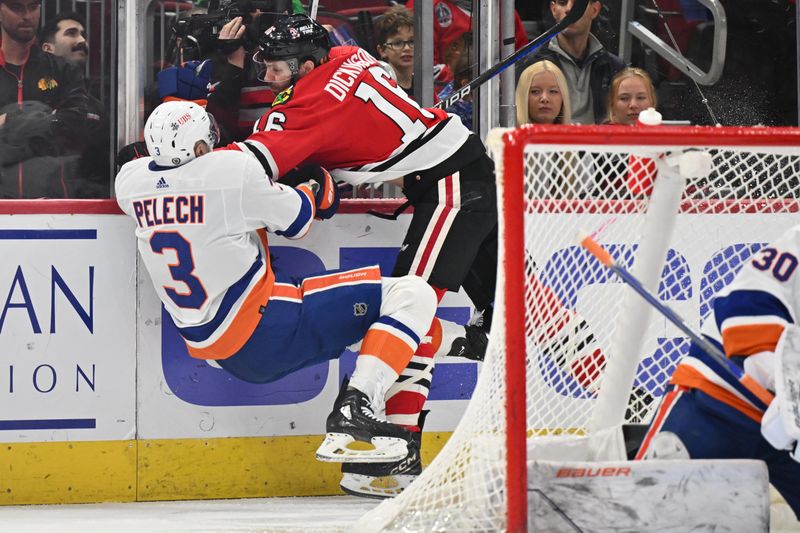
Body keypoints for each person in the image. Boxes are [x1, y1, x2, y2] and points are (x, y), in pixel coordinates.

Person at [225, 14, 497, 497]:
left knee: (411, 309)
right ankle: (626, 404)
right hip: (465, 170)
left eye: (277, 69)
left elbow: (241, 171)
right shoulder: (350, 56)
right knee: (513, 312)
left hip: (450, 188)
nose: (267, 78)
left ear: (307, 64)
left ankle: (385, 459)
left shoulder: (306, 107)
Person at [115, 100, 438, 467]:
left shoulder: (130, 183)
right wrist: (312, 184)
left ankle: (376, 469)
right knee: (413, 295)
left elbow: (181, 188)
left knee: (415, 332)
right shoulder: (229, 172)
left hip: (226, 353)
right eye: (209, 140)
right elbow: (301, 218)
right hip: (266, 326)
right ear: (202, 149)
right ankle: (354, 409)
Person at [636, 224, 800, 519]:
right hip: (714, 403)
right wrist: (784, 390)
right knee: (646, 512)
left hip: (790, 434)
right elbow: (745, 303)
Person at [0, 0, 88, 198]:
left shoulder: (64, 70)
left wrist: (8, 122)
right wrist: (46, 120)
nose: (26, 15)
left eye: (33, 6)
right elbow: (60, 125)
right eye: (16, 7)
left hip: (55, 205)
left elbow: (75, 123)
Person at [516, 0, 624, 125]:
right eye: (562, 3)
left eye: (578, 4)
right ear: (553, 9)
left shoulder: (614, 68)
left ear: (595, 10)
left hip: (600, 143)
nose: (568, 9)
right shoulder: (528, 64)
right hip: (547, 142)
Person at [39, 11, 110, 197]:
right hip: (30, 199)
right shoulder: (33, 97)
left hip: (85, 205)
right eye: (71, 33)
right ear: (48, 48)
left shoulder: (96, 107)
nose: (81, 41)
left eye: (82, 34)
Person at [406, 0, 527, 84]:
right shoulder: (423, 6)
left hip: (494, 96)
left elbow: (520, 59)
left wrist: (497, 81)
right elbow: (422, 69)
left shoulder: (502, 8)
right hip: (445, 98)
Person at [515, 59, 572, 125]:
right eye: (535, 91)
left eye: (553, 91)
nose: (544, 99)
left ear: (563, 98)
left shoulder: (576, 134)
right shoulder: (505, 134)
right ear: (522, 97)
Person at [375, 6, 415, 99]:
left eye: (412, 42)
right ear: (382, 51)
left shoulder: (425, 86)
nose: (407, 48)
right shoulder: (380, 91)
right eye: (397, 43)